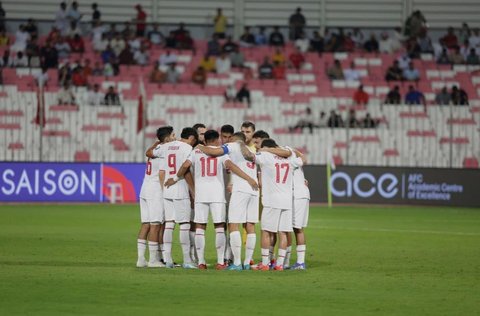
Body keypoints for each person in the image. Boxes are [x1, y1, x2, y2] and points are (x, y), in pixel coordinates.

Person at [166, 130, 258, 270]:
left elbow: (185, 166)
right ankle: (221, 262)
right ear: (216, 140)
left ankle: (201, 261)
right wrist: (248, 177)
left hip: (200, 194)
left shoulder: (196, 151)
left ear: (206, 140)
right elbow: (230, 166)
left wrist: (175, 178)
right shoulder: (221, 152)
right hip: (217, 195)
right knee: (219, 227)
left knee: (200, 227)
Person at [194, 132, 259, 270]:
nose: (227, 140)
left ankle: (236, 263)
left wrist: (199, 145)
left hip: (241, 189)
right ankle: (247, 262)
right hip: (254, 190)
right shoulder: (252, 151)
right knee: (250, 227)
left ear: (235, 139)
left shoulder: (232, 146)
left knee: (233, 225)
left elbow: (216, 151)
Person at [146, 127, 198, 269]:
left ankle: (168, 259)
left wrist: (157, 143)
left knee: (169, 224)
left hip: (167, 190)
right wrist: (193, 190)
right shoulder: (187, 147)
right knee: (184, 225)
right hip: (180, 188)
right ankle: (187, 260)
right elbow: (185, 169)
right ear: (192, 138)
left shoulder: (166, 147)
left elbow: (150, 154)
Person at [252, 138, 299, 271]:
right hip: (287, 201)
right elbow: (301, 159)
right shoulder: (289, 160)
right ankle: (279, 264)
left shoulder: (266, 156)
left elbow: (251, 157)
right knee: (283, 233)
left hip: (271, 201)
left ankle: (265, 264)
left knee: (266, 232)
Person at [136, 126, 173, 268]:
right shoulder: (164, 151)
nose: (174, 137)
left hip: (144, 189)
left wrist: (156, 142)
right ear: (167, 138)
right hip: (155, 191)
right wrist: (165, 191)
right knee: (155, 225)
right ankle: (153, 260)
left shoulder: (154, 150)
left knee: (145, 224)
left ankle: (140, 259)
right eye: (173, 135)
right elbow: (162, 174)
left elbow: (148, 152)